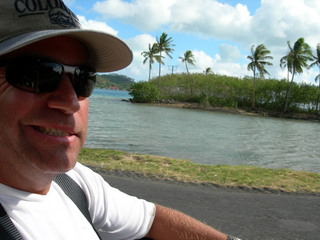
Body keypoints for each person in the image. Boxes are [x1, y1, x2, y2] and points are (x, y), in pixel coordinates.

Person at [0, 1, 241, 239]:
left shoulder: (73, 181)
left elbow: (150, 219)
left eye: (84, 79)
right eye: (36, 74)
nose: (71, 101)